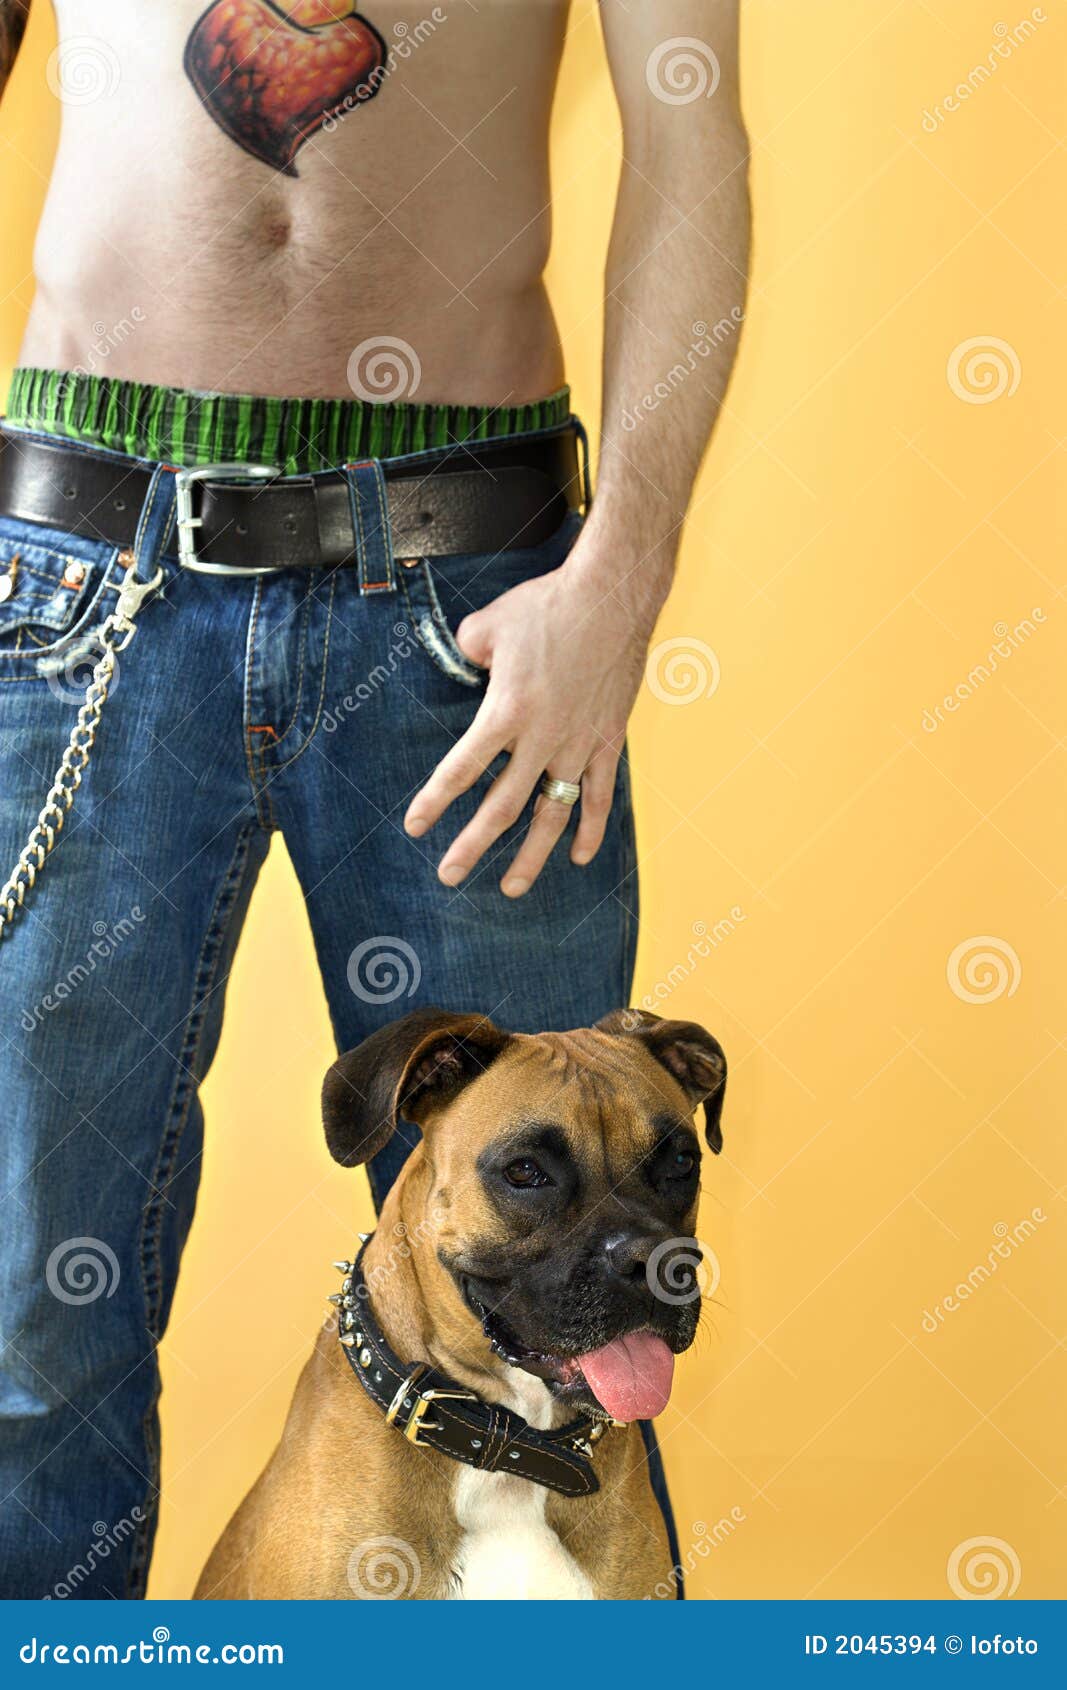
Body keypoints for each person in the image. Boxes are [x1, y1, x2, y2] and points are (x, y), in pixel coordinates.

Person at [0, 0, 749, 1598]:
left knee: (572, 1273)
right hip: (87, 581)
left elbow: (688, 132)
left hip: (475, 609)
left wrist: (617, 580)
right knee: (24, 1326)